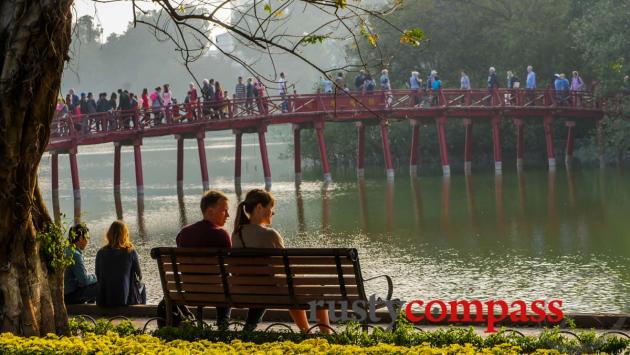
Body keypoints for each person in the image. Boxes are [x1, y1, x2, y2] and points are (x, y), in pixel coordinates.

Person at [232, 189, 332, 333]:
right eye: (271, 208)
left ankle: (306, 332)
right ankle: (326, 335)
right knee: (315, 292)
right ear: (260, 208)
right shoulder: (270, 234)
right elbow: (286, 268)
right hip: (274, 291)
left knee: (290, 289)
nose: (273, 213)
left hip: (247, 290)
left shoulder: (236, 234)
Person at [176, 190, 231, 327]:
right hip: (217, 291)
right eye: (224, 211)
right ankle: (223, 324)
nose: (228, 215)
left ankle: (196, 322)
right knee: (225, 282)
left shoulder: (184, 233)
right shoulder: (221, 235)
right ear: (210, 211)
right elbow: (230, 264)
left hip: (189, 289)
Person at [95, 220, 146, 307]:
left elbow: (98, 274)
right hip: (124, 300)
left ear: (109, 234)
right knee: (142, 286)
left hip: (103, 300)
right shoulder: (130, 252)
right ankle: (142, 313)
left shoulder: (100, 252)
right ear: (125, 235)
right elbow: (139, 275)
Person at [64, 223, 98, 304]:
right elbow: (84, 280)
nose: (87, 241)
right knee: (100, 283)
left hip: (64, 293)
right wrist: (97, 276)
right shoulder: (75, 254)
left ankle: (90, 304)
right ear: (80, 238)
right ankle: (91, 307)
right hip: (70, 296)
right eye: (86, 238)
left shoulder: (66, 249)